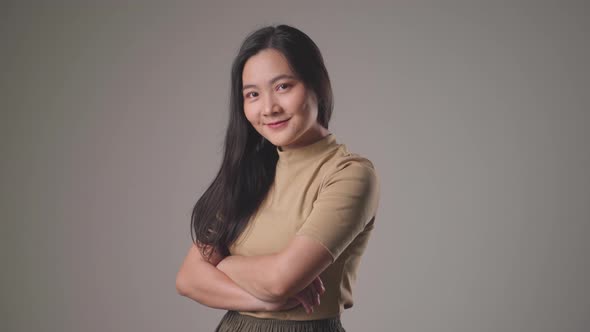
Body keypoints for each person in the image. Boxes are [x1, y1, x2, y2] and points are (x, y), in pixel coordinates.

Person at [175, 24, 380, 332]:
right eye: (252, 94)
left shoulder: (350, 174)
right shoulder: (249, 172)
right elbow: (188, 278)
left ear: (316, 86)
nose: (268, 108)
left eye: (283, 86)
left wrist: (225, 263)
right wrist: (263, 300)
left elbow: (281, 280)